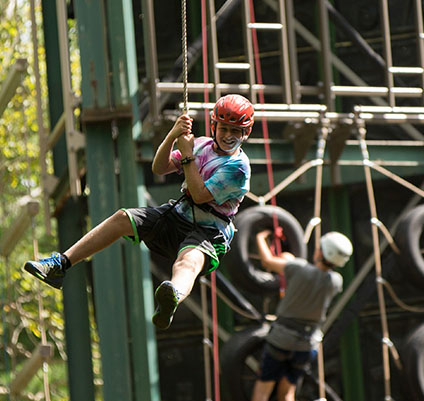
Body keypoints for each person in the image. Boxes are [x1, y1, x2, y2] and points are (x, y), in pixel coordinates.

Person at [23, 94, 254, 330]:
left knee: (188, 262)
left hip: (209, 230)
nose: (228, 136)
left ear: (245, 134)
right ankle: (60, 264)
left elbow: (199, 195)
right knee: (123, 218)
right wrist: (173, 136)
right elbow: (159, 167)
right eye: (224, 128)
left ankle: (172, 294)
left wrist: (187, 156)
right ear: (214, 125)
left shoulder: (238, 168)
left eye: (235, 131)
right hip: (178, 215)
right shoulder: (201, 144)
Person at [226, 229, 353, 401]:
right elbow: (305, 271)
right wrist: (290, 260)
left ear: (321, 251)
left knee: (263, 391)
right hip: (307, 344)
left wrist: (261, 239)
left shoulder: (298, 269)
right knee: (288, 393)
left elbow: (267, 262)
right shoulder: (335, 281)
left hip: (282, 338)